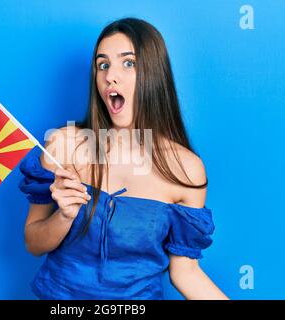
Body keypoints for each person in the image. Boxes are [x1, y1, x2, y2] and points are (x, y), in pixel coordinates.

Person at [19, 17, 228, 300]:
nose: (110, 76)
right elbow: (33, 242)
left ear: (154, 74)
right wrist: (64, 217)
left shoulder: (187, 170)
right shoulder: (64, 144)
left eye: (128, 63)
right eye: (102, 64)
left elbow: (186, 272)